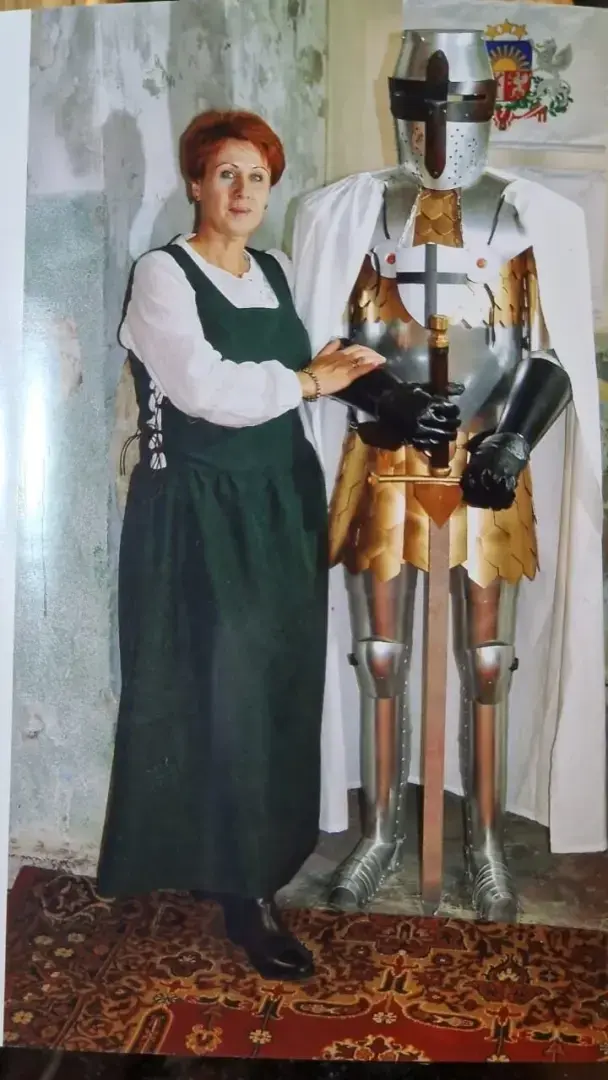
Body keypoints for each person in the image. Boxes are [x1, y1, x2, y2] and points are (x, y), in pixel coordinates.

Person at [96, 109, 458, 981]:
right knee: (220, 692)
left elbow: (329, 360)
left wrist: (398, 402)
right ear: (195, 182)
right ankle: (243, 895)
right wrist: (308, 381)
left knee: (275, 686)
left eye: (257, 176)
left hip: (278, 502)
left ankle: (248, 864)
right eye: (226, 173)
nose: (242, 190)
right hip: (197, 509)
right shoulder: (163, 274)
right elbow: (205, 388)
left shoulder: (277, 269)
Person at [289, 28, 606, 921]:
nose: (437, 130)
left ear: (485, 110)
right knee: (381, 653)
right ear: (400, 107)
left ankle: (487, 843)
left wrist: (514, 442)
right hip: (384, 453)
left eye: (455, 108)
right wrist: (385, 400)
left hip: (488, 453)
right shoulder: (355, 213)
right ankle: (380, 832)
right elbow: (334, 335)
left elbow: (546, 350)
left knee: (489, 660)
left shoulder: (532, 215)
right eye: (422, 108)